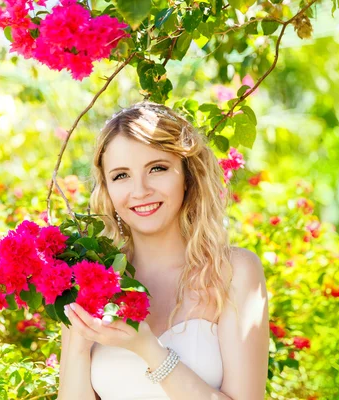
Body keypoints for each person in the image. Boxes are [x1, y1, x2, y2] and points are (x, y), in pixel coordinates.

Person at [57, 101, 270, 400]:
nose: (140, 190)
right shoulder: (91, 279)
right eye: (121, 175)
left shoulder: (234, 272)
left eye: (157, 168)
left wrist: (148, 349)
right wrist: (78, 344)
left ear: (188, 175)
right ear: (107, 188)